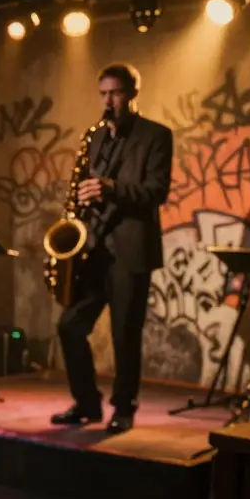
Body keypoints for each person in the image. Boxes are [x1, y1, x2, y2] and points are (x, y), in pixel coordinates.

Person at [52, 63, 172, 434]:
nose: (108, 101)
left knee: (124, 335)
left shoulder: (156, 136)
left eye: (115, 93)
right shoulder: (96, 137)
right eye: (103, 94)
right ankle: (87, 403)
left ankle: (124, 407)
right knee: (70, 326)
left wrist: (110, 188)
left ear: (133, 93)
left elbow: (156, 192)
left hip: (131, 251)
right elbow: (88, 187)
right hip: (95, 249)